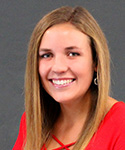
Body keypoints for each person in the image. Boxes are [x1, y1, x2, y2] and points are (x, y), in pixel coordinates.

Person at [13, 6, 125, 150]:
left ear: (96, 62)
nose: (58, 68)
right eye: (47, 55)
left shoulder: (121, 123)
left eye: (72, 54)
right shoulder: (33, 121)